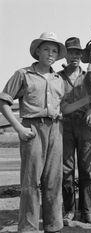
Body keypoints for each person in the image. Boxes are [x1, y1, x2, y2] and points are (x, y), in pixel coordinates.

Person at [0, 32, 67, 233]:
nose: (51, 53)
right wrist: (19, 129)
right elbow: (3, 101)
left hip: (56, 129)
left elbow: (64, 108)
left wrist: (90, 99)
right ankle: (28, 228)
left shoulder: (58, 79)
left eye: (55, 50)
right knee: (31, 182)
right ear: (37, 51)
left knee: (54, 181)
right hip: (33, 129)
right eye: (46, 49)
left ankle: (53, 226)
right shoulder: (23, 74)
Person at [58, 37, 91, 225]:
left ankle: (86, 211)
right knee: (66, 171)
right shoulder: (57, 77)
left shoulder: (90, 77)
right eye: (71, 52)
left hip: (86, 127)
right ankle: (69, 211)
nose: (75, 56)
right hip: (65, 126)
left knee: (87, 171)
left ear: (82, 55)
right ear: (66, 54)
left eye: (78, 53)